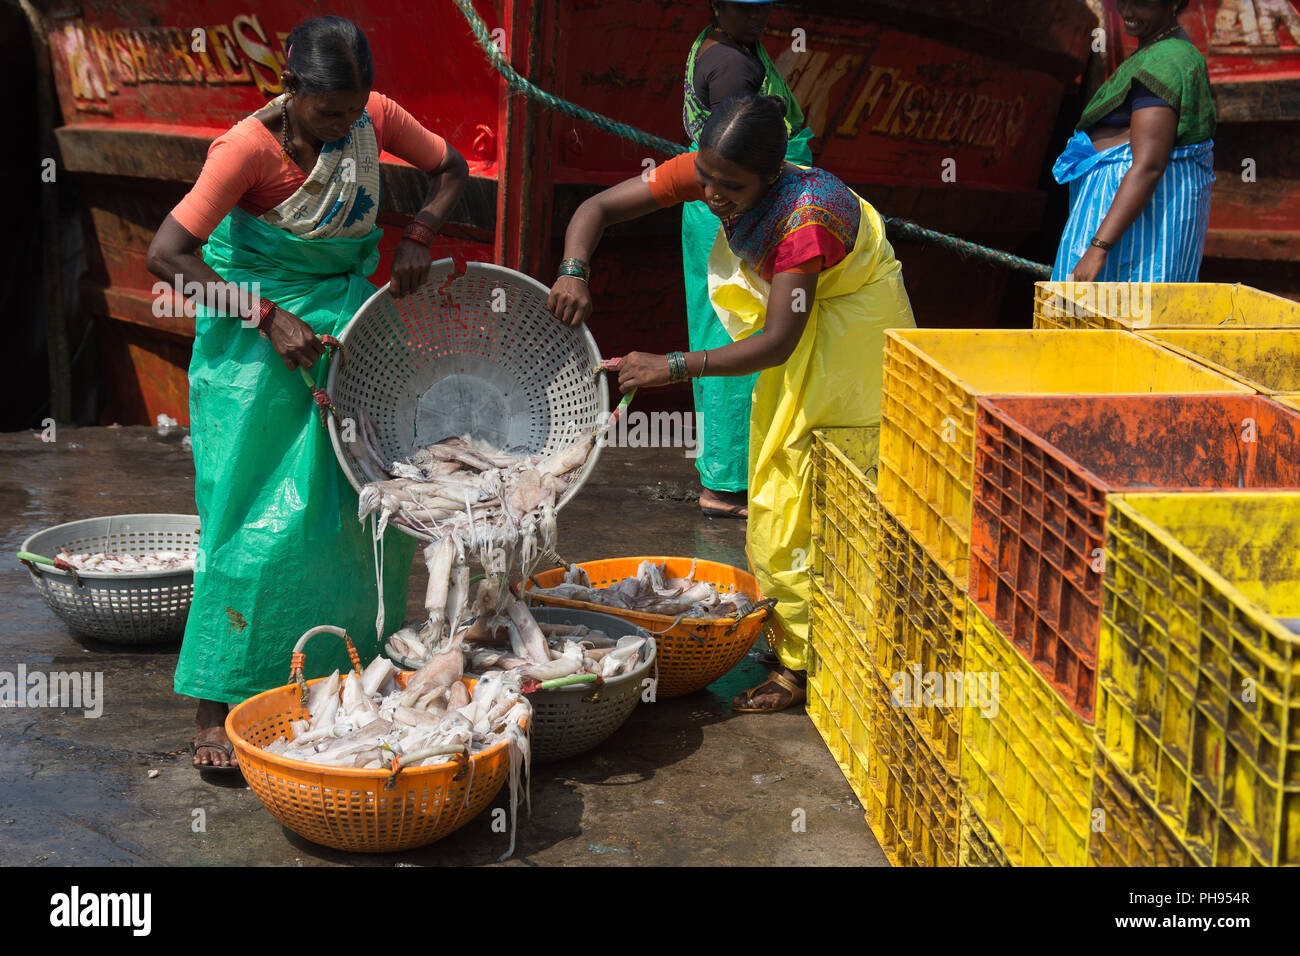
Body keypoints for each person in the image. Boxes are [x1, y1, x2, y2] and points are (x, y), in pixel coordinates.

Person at [146, 16, 468, 769]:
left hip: (351, 329)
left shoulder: (374, 116)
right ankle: (215, 701)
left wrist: (419, 233)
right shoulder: (245, 149)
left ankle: (347, 674)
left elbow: (450, 169)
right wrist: (263, 316)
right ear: (289, 91)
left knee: (366, 504)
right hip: (255, 349)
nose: (343, 127)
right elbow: (168, 255)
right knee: (248, 517)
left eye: (353, 111)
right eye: (327, 113)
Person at [548, 94, 915, 712]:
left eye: (731, 188)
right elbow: (598, 207)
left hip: (853, 324)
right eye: (707, 180)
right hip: (805, 318)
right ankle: (800, 640)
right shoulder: (713, 169)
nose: (713, 196)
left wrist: (671, 366)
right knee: (777, 482)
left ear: (772, 176)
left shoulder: (804, 222)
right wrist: (574, 269)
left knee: (803, 486)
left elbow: (777, 340)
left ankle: (802, 668)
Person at [682, 1, 813, 520]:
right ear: (718, 5)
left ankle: (729, 472)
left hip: (725, 209)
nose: (758, 17)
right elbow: (737, 153)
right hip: (734, 216)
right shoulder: (733, 66)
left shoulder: (731, 46)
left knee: (727, 326)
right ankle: (728, 482)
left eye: (763, 7)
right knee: (737, 333)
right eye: (745, 8)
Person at [1052, 0, 1215, 282]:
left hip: (1130, 231)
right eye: (1122, 2)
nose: (1127, 12)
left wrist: (1098, 248)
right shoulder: (1159, 49)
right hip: (1122, 219)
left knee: (1111, 315)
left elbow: (1149, 165)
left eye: (1140, 3)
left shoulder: (1166, 62)